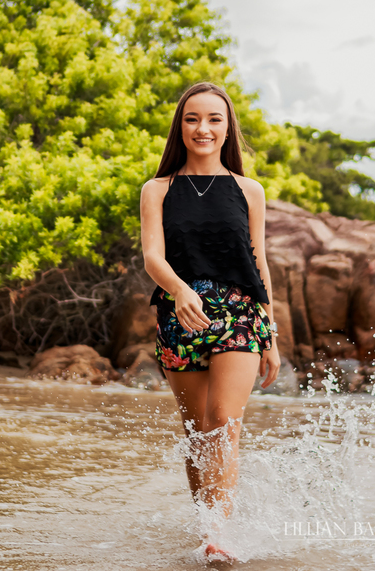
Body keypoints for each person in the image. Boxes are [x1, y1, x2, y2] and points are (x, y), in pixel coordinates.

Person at [139, 81, 281, 562]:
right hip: (181, 317)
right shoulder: (157, 190)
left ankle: (220, 532)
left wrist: (271, 334)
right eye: (193, 119)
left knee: (223, 422)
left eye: (214, 119)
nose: (203, 128)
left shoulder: (249, 190)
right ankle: (205, 525)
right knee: (197, 431)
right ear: (181, 127)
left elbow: (258, 262)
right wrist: (179, 290)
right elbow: (152, 257)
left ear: (227, 128)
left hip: (240, 315)